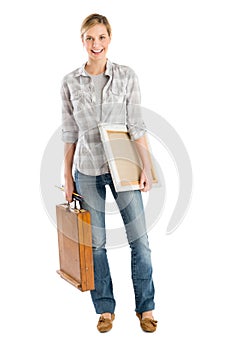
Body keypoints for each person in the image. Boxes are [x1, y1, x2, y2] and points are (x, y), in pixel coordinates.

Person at [61, 13, 157, 333]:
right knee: (96, 245)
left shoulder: (127, 76)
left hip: (124, 167)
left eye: (101, 37)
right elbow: (69, 131)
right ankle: (105, 309)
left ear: (109, 39)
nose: (96, 44)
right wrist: (67, 175)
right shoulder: (70, 82)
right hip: (87, 170)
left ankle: (146, 307)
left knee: (140, 241)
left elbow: (136, 126)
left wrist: (147, 166)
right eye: (90, 38)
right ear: (82, 41)